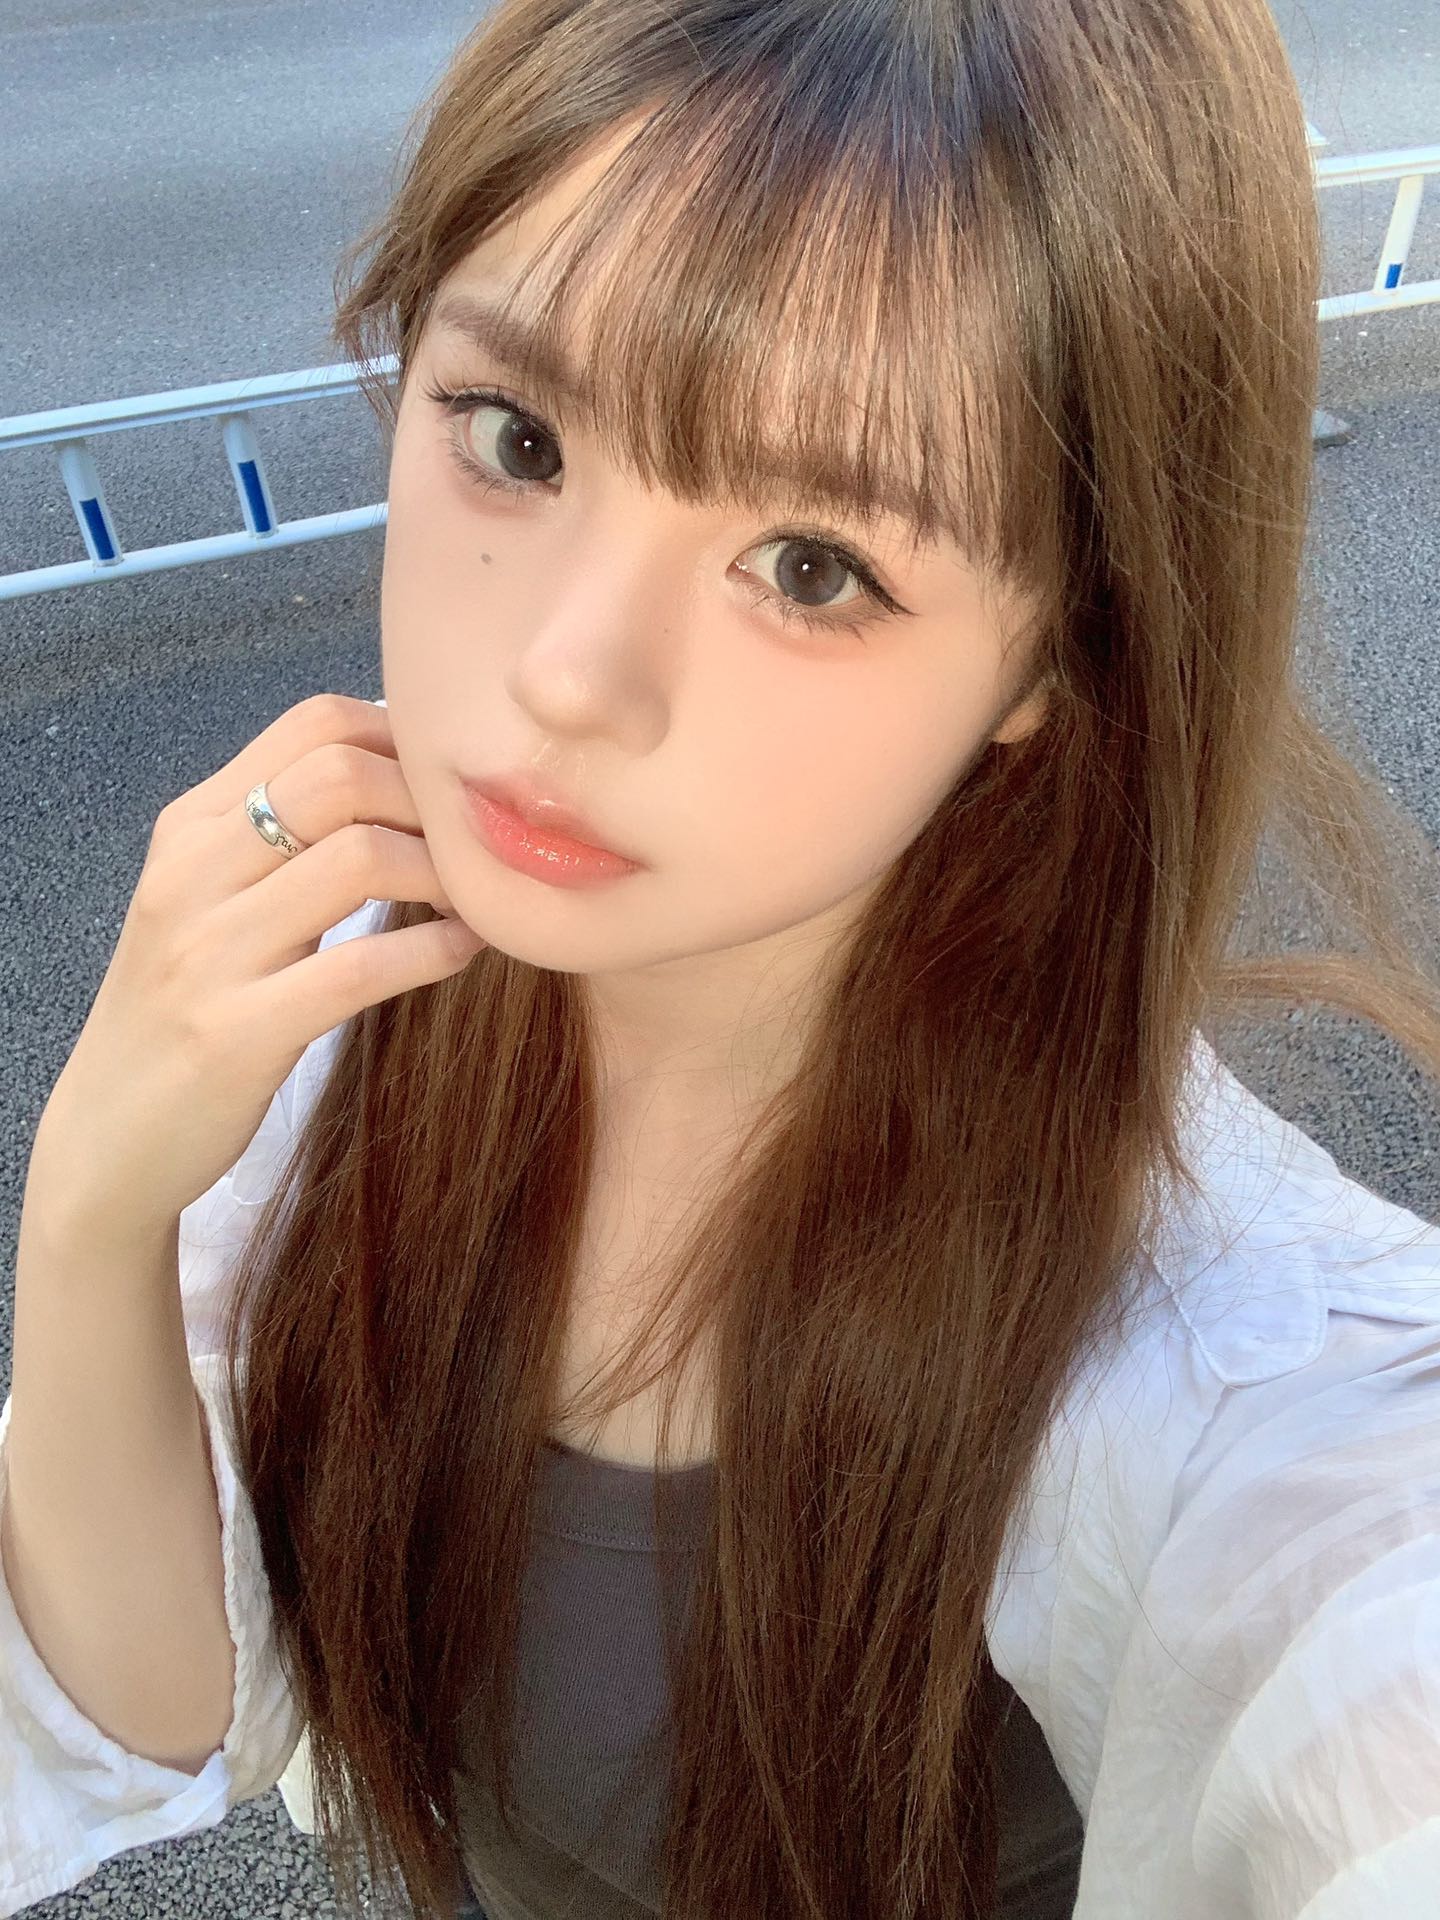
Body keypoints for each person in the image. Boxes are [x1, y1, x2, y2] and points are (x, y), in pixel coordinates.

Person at [2, 1, 1439, 1917]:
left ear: (1056, 652)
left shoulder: (1248, 1384)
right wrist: (94, 1205)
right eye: (517, 438)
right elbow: (155, 1705)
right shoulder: (348, 984)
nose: (564, 676)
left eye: (815, 565)